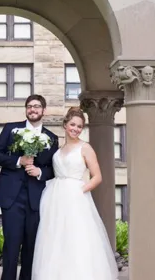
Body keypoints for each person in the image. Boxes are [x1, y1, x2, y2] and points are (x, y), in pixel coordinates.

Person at [32, 107, 118, 280]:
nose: (75, 129)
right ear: (65, 124)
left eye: (79, 126)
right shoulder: (58, 149)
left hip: (76, 198)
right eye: (72, 124)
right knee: (56, 240)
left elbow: (97, 177)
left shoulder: (85, 148)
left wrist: (79, 192)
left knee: (76, 239)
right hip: (56, 198)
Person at [0, 94, 59, 280]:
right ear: (26, 109)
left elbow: (54, 169)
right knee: (11, 246)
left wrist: (40, 172)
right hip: (11, 198)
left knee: (31, 246)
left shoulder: (51, 138)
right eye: (29, 106)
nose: (33, 109)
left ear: (44, 110)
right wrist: (18, 160)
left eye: (37, 106)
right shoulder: (11, 129)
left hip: (36, 199)